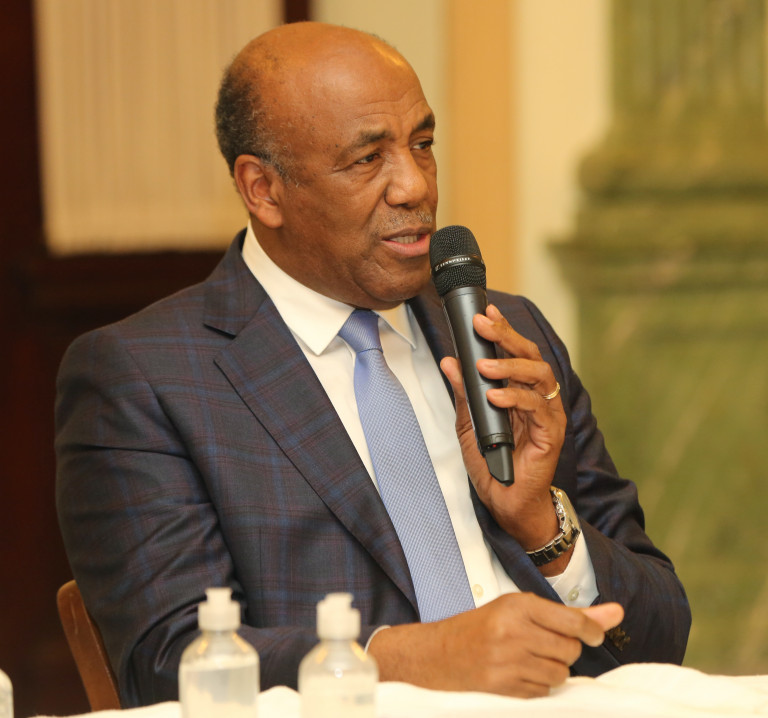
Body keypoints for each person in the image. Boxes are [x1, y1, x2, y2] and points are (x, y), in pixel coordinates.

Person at [55, 21, 690, 708]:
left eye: (423, 145)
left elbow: (662, 635)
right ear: (263, 189)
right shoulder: (146, 378)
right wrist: (422, 659)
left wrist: (542, 527)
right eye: (367, 159)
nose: (414, 186)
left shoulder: (502, 333)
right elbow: (169, 663)